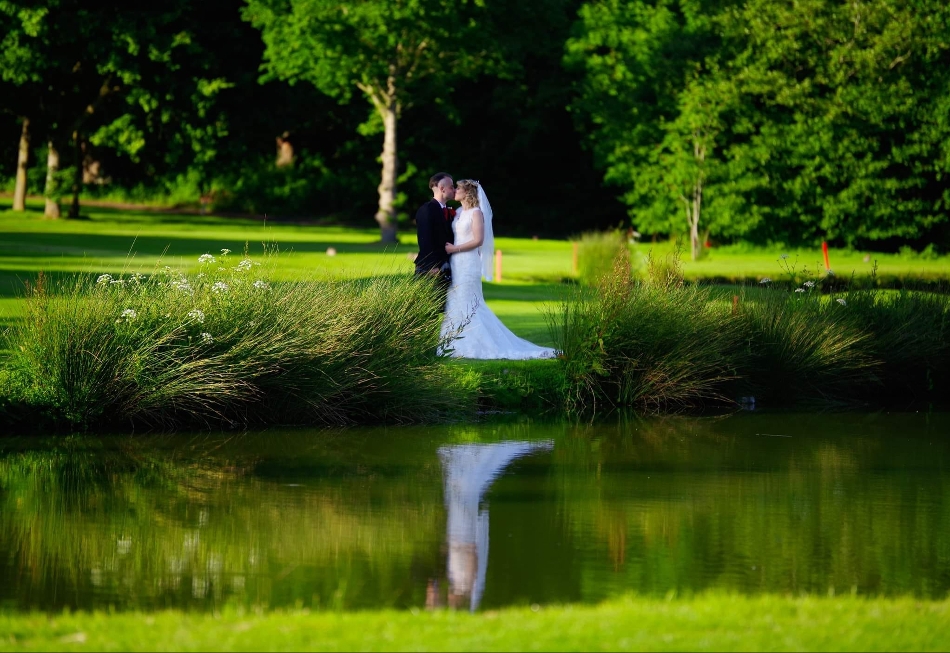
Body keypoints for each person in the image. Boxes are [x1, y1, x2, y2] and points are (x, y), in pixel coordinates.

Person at [441, 180, 557, 360]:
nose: (454, 190)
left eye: (458, 188)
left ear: (467, 192)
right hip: (456, 263)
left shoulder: (476, 213)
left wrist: (455, 249)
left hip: (468, 262)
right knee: (455, 301)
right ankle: (453, 344)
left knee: (469, 301)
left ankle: (475, 344)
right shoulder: (457, 212)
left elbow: (479, 240)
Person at [415, 172, 457, 310]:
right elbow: (425, 239)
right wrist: (432, 266)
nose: (454, 189)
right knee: (426, 309)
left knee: (443, 308)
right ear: (442, 188)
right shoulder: (427, 209)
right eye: (451, 186)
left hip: (445, 267)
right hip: (430, 268)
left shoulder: (449, 211)